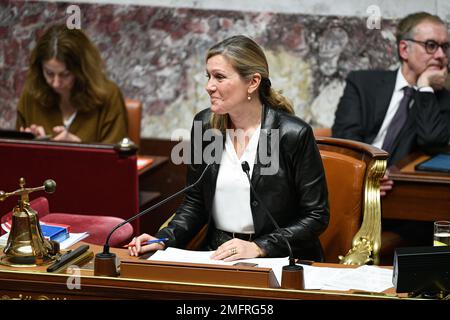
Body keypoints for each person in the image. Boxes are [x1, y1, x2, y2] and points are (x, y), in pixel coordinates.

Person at [129, 35, 329, 262]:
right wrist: (164, 239)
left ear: (253, 82)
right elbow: (195, 202)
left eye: (219, 77)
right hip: (217, 254)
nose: (208, 87)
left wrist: (259, 247)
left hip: (279, 257)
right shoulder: (206, 127)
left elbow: (316, 215)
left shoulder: (292, 134)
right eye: (208, 76)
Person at [332, 12, 450, 259]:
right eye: (431, 46)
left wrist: (425, 87)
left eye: (444, 47)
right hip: (353, 187)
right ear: (404, 49)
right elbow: (344, 137)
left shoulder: (442, 99)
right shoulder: (363, 83)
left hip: (399, 203)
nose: (440, 55)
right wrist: (368, 173)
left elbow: (432, 140)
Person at [16, 24, 128, 144]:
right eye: (49, 73)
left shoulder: (109, 96)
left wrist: (80, 148)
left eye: (65, 74)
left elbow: (117, 159)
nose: (56, 83)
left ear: (82, 72)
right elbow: (12, 157)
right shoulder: (32, 94)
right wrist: (32, 144)